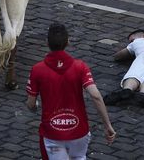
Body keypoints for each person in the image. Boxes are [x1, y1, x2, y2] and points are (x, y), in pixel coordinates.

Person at [25, 23, 116, 158]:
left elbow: (31, 103)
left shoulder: (37, 70)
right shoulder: (80, 67)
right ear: (68, 42)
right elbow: (95, 96)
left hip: (52, 133)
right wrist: (107, 125)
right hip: (79, 131)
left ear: (47, 42)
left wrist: (33, 108)